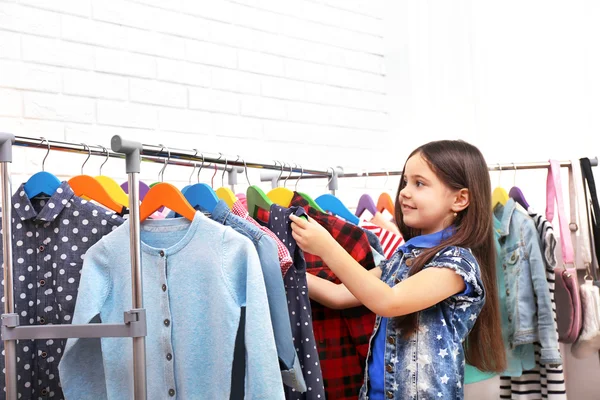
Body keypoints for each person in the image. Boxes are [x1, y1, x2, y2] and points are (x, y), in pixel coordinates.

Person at [289, 140, 506, 399]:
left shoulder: (456, 264)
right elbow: (338, 294)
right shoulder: (401, 257)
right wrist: (278, 267)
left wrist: (328, 247)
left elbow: (389, 301)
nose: (404, 192)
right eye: (405, 182)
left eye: (419, 183)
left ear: (460, 199)